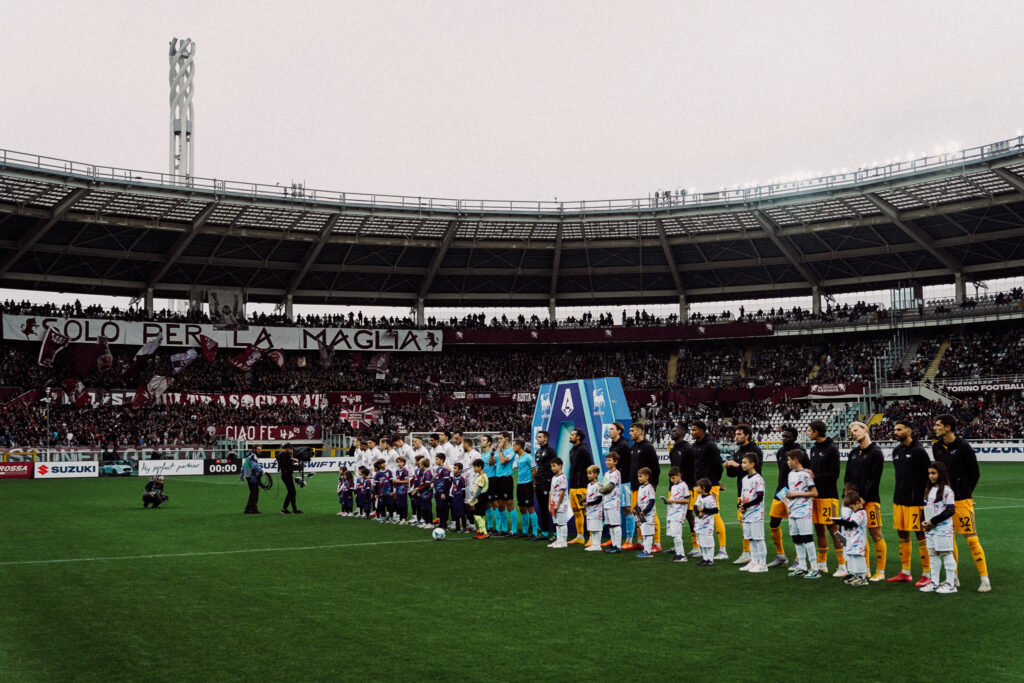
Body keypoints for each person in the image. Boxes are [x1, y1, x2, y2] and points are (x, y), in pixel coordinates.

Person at [932, 414, 990, 593]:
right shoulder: (936, 447)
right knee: (948, 540)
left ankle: (985, 579)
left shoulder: (963, 447)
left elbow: (975, 473)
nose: (935, 427)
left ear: (948, 427)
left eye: (938, 425)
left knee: (971, 539)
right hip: (944, 501)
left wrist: (964, 491)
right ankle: (953, 577)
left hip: (962, 500)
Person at [888, 419, 932, 587]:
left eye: (899, 429)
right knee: (902, 534)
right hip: (899, 499)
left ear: (909, 431)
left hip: (915, 501)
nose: (896, 432)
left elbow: (928, 477)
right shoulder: (896, 451)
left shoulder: (919, 451)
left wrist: (925, 498)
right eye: (895, 429)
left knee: (920, 535)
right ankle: (905, 572)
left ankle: (927, 573)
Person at [845, 421, 886, 581]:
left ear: (865, 429)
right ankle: (865, 569)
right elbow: (848, 477)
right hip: (854, 502)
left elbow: (874, 479)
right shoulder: (853, 452)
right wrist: (848, 497)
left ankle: (880, 571)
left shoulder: (876, 452)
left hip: (870, 501)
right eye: (852, 431)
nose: (854, 433)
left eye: (856, 430)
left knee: (875, 534)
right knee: (859, 535)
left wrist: (863, 499)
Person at [807, 420, 844, 577]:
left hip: (829, 495)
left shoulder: (832, 449)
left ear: (816, 432)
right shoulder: (814, 449)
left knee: (833, 529)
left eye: (809, 431)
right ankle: (822, 565)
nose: (808, 433)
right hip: (815, 496)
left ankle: (843, 565)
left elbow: (835, 475)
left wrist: (815, 477)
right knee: (819, 529)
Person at [723, 424, 763, 566]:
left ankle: (751, 555)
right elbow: (734, 474)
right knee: (744, 524)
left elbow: (755, 469)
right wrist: (729, 467)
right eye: (736, 434)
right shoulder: (739, 451)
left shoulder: (755, 450)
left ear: (747, 435)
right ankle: (749, 554)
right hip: (742, 490)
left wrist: (737, 465)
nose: (736, 436)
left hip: (753, 493)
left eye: (739, 434)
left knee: (751, 525)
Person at [920, 461, 959, 594]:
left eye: (933, 473)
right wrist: (923, 521)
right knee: (933, 555)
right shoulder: (928, 489)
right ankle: (934, 583)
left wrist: (933, 521)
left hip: (943, 529)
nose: (930, 476)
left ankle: (950, 584)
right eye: (929, 473)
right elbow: (925, 508)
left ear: (941, 474)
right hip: (930, 529)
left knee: (947, 554)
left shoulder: (947, 490)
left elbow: (950, 510)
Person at [691, 421, 725, 559]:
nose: (692, 432)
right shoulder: (695, 446)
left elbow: (718, 466)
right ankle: (702, 548)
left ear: (702, 431)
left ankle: (723, 550)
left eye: (694, 430)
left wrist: (714, 482)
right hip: (698, 486)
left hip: (709, 486)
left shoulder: (710, 446)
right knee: (699, 514)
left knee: (714, 516)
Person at [767, 427, 799, 568]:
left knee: (796, 526)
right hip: (780, 493)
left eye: (787, 436)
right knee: (773, 522)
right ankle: (781, 555)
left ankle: (799, 558)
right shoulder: (780, 452)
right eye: (783, 436)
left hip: (793, 494)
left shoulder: (800, 452)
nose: (783, 438)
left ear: (794, 438)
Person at [785, 449, 819, 578]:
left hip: (804, 510)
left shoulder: (806, 474)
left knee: (807, 539)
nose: (787, 462)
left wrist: (796, 494)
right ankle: (803, 567)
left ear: (796, 460)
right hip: (792, 510)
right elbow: (793, 491)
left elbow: (814, 493)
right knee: (797, 539)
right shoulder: (791, 474)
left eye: (789, 459)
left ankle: (814, 568)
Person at [627, 423, 660, 552]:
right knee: (637, 514)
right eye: (629, 431)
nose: (630, 433)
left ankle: (657, 543)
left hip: (647, 488)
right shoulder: (632, 448)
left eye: (632, 431)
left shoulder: (648, 447)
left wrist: (652, 485)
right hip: (635, 487)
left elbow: (656, 469)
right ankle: (641, 541)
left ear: (640, 432)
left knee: (651, 514)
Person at [667, 425, 696, 554]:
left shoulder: (688, 449)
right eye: (672, 430)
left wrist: (689, 485)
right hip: (673, 487)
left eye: (675, 430)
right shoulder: (673, 450)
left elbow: (693, 468)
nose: (672, 432)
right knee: (673, 514)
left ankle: (697, 546)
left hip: (686, 486)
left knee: (689, 515)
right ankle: (676, 544)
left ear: (682, 433)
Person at [738, 452, 768, 573]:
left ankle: (763, 564)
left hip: (756, 513)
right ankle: (754, 561)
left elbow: (760, 497)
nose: (742, 464)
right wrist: (740, 505)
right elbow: (743, 496)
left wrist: (746, 505)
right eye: (742, 462)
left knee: (758, 538)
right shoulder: (744, 479)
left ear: (752, 464)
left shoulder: (758, 479)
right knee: (750, 538)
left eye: (744, 462)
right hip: (746, 513)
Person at [833, 491, 869, 586]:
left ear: (858, 502)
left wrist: (840, 522)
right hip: (852, 541)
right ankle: (854, 575)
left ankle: (862, 577)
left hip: (859, 541)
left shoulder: (861, 513)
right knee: (852, 558)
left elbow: (852, 524)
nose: (851, 509)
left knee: (858, 558)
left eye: (852, 507)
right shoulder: (855, 512)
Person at [607, 422, 633, 549]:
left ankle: (629, 539)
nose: (609, 431)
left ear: (619, 431)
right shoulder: (613, 445)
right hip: (616, 482)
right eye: (609, 429)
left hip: (625, 482)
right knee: (616, 509)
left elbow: (628, 465)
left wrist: (625, 481)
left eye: (612, 429)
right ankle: (614, 539)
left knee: (627, 509)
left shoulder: (624, 446)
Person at [568, 428, 594, 545]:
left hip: (582, 486)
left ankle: (592, 537)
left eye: (572, 434)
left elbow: (590, 466)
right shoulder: (573, 450)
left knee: (585, 511)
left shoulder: (583, 449)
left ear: (578, 437)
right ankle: (580, 537)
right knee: (576, 512)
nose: (570, 436)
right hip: (573, 486)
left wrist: (588, 481)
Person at [661, 466, 690, 562]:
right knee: (674, 534)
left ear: (679, 475)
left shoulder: (684, 485)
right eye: (670, 478)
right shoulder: (673, 487)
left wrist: (674, 501)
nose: (671, 480)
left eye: (673, 478)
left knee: (677, 535)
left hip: (679, 513)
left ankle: (682, 555)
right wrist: (668, 501)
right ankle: (678, 553)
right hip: (672, 513)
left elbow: (687, 500)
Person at [533, 430, 557, 541]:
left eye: (540, 437)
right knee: (542, 508)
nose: (538, 439)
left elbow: (555, 467)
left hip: (547, 483)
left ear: (546, 438)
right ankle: (544, 532)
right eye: (537, 437)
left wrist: (551, 481)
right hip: (539, 483)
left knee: (551, 508)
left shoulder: (551, 451)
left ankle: (557, 534)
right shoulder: (537, 452)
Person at [512, 438, 538, 538]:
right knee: (522, 508)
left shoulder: (528, 457)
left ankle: (535, 532)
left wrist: (533, 484)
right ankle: (525, 531)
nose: (513, 447)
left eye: (514, 445)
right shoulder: (518, 458)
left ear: (519, 446)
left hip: (527, 485)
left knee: (530, 507)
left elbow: (534, 471)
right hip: (520, 485)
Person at [494, 432, 517, 536]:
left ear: (507, 439)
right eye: (499, 438)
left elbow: (503, 461)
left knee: (509, 504)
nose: (499, 440)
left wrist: (500, 450)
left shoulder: (511, 450)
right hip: (498, 479)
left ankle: (514, 529)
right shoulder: (499, 450)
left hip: (506, 479)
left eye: (501, 438)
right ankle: (504, 529)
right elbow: (492, 462)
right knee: (500, 505)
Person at [601, 452, 624, 553]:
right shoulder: (607, 473)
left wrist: (601, 490)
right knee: (610, 525)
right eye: (606, 460)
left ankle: (618, 546)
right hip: (606, 502)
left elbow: (610, 486)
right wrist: (601, 489)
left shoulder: (616, 473)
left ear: (615, 462)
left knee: (616, 524)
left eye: (610, 460)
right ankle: (613, 544)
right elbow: (603, 486)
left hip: (614, 502)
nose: (607, 462)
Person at [693, 478, 718, 566]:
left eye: (697, 486)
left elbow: (715, 510)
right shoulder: (699, 497)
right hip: (699, 524)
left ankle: (710, 559)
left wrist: (704, 510)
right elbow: (695, 506)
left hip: (707, 525)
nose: (696, 488)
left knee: (708, 542)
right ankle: (705, 558)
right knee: (702, 542)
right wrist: (697, 512)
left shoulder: (710, 498)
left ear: (703, 488)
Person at [634, 467, 657, 558]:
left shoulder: (650, 487)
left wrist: (645, 511)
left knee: (648, 533)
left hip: (648, 515)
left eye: (640, 476)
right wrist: (635, 508)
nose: (638, 478)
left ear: (647, 476)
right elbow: (639, 501)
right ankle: (646, 550)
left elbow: (652, 501)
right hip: (641, 515)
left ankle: (648, 552)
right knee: (644, 533)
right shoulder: (640, 488)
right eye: (638, 476)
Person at [548, 457, 570, 549]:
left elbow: (562, 492)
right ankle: (559, 540)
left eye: (554, 466)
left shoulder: (563, 477)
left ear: (560, 466)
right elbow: (551, 492)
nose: (552, 468)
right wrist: (550, 504)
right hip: (554, 504)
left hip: (561, 504)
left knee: (562, 523)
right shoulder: (553, 478)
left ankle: (564, 542)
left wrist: (558, 504)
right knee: (557, 523)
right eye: (551, 466)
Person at [276, 444, 302, 515]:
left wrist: (292, 461)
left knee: (291, 492)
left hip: (287, 475)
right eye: (290, 449)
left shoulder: (284, 455)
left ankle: (285, 509)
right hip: (286, 475)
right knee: (292, 492)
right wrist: (293, 460)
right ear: (287, 448)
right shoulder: (283, 455)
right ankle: (293, 509)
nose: (291, 450)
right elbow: (285, 463)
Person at [584, 465, 604, 552]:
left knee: (597, 528)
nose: (588, 475)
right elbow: (589, 497)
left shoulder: (598, 485)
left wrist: (589, 503)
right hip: (590, 510)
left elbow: (599, 498)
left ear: (596, 474)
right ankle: (594, 543)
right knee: (592, 527)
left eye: (590, 473)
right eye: (587, 473)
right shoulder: (589, 485)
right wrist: (584, 501)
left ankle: (598, 545)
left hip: (596, 509)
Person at [468, 458, 489, 539]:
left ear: (480, 467)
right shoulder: (482, 476)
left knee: (477, 515)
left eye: (475, 467)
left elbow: (479, 490)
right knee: (481, 515)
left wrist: (473, 499)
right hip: (483, 496)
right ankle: (482, 531)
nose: (474, 468)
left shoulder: (481, 477)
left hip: (481, 497)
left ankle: (483, 532)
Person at [241, 444, 263, 514]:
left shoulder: (249, 455)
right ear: (254, 449)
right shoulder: (253, 456)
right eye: (258, 449)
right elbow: (254, 466)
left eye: (260, 449)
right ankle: (253, 509)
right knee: (255, 493)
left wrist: (241, 475)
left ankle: (249, 508)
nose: (260, 451)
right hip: (252, 475)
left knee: (253, 493)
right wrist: (261, 471)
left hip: (248, 474)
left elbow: (244, 465)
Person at [433, 452, 452, 529]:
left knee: (443, 507)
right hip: (437, 491)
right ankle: (441, 523)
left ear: (442, 460)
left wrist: (444, 492)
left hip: (442, 492)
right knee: (439, 507)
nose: (435, 461)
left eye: (437, 459)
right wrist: (433, 484)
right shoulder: (438, 469)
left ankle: (444, 525)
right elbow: (437, 479)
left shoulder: (445, 469)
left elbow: (446, 482)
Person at [392, 455, 410, 524]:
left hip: (403, 490)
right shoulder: (397, 471)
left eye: (401, 462)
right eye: (398, 462)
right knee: (398, 504)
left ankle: (404, 518)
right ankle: (400, 517)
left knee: (403, 504)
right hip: (398, 490)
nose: (399, 463)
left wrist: (397, 481)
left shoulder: (405, 471)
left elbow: (406, 481)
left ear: (404, 463)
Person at [451, 461, 468, 533]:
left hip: (460, 497)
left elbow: (463, 489)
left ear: (460, 470)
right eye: (453, 468)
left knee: (461, 513)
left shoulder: (461, 478)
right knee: (456, 512)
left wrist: (463, 498)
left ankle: (464, 528)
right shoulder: (454, 478)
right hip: (455, 497)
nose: (454, 470)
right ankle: (457, 527)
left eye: (455, 468)